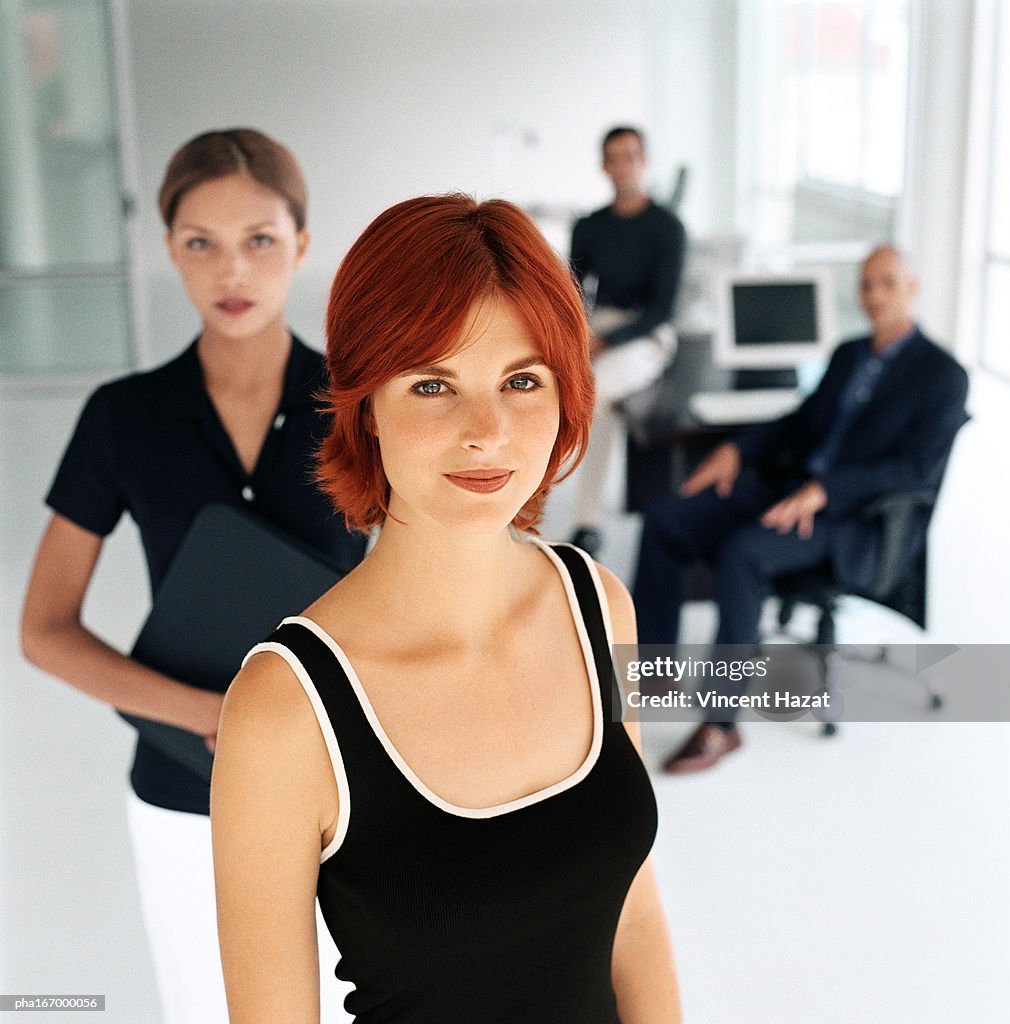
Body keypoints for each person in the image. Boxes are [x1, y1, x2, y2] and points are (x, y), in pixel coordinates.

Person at [211, 194, 683, 1023]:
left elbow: (634, 915)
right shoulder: (284, 711)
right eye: (433, 383)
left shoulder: (600, 607)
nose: (488, 430)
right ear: (365, 403)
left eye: (522, 380)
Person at [20, 128, 365, 1023]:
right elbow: (44, 629)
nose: (231, 271)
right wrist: (214, 717)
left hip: (347, 778)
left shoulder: (366, 409)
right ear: (169, 248)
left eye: (259, 240)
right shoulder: (123, 417)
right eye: (200, 243)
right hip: (184, 792)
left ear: (302, 244)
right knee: (205, 1004)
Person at [632, 245, 968, 773]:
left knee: (744, 552)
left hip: (853, 521)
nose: (874, 295)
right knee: (667, 517)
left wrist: (828, 490)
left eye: (887, 283)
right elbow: (798, 422)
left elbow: (914, 471)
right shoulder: (850, 353)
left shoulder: (943, 375)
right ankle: (652, 672)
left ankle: (721, 726)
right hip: (793, 490)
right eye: (866, 284)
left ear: (912, 287)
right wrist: (735, 450)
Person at [567, 125, 686, 557]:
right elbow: (573, 289)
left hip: (646, 333)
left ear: (645, 161)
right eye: (614, 157)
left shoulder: (667, 227)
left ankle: (586, 520)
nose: (623, 166)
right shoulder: (590, 225)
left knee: (594, 394)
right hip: (599, 325)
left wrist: (605, 341)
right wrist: (580, 333)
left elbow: (662, 310)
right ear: (603, 165)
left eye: (631, 156)